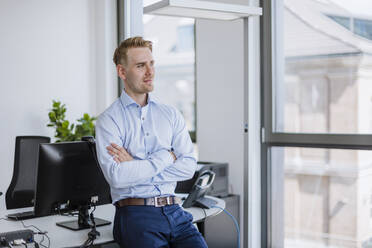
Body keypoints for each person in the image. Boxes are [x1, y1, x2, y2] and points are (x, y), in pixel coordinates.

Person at [95, 36, 208, 248]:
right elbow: (117, 177)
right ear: (122, 72)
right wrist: (167, 156)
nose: (150, 72)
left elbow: (189, 168)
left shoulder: (170, 114)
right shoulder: (109, 120)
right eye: (140, 66)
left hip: (176, 211)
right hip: (136, 216)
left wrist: (135, 165)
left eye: (151, 63)